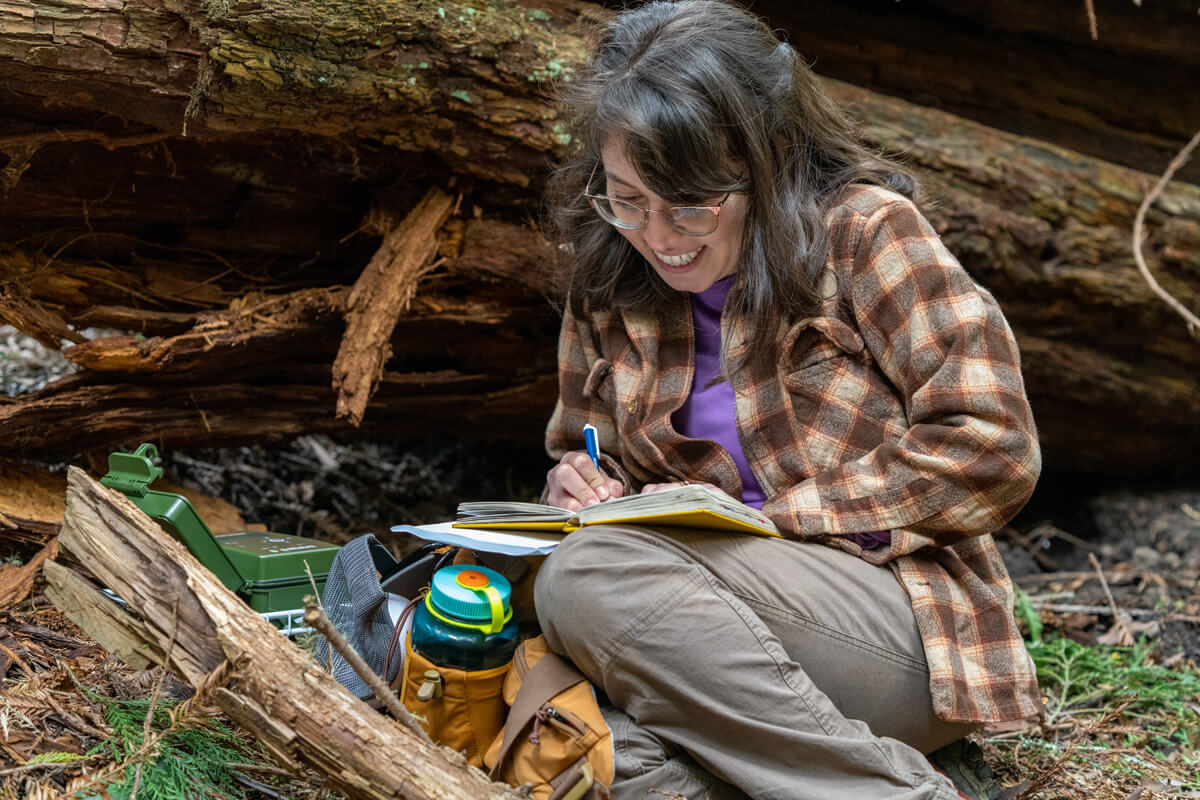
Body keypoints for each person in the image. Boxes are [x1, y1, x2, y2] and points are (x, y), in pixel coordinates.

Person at [533, 1, 1042, 798]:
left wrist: (774, 519)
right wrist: (578, 486)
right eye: (627, 199)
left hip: (893, 628)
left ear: (765, 161)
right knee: (589, 753)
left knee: (587, 579)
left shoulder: (866, 233)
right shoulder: (609, 274)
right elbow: (581, 454)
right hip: (699, 637)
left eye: (692, 204)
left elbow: (994, 447)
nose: (660, 235)